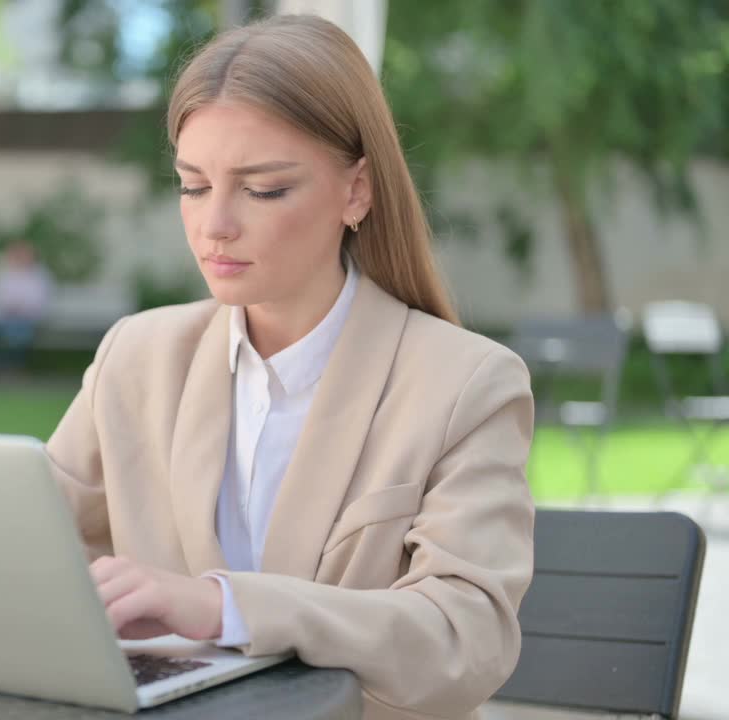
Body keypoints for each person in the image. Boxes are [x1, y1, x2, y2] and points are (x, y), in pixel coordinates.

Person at [44, 14, 535, 720]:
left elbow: (465, 638)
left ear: (356, 191)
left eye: (264, 189)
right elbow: (27, 548)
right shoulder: (137, 357)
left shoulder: (467, 385)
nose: (215, 225)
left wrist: (222, 606)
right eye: (192, 185)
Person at [0, 239, 53, 370]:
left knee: (17, 334)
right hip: (4, 316)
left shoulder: (40, 276)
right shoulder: (6, 274)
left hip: (28, 318)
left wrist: (20, 308)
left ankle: (14, 367)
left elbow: (39, 302)